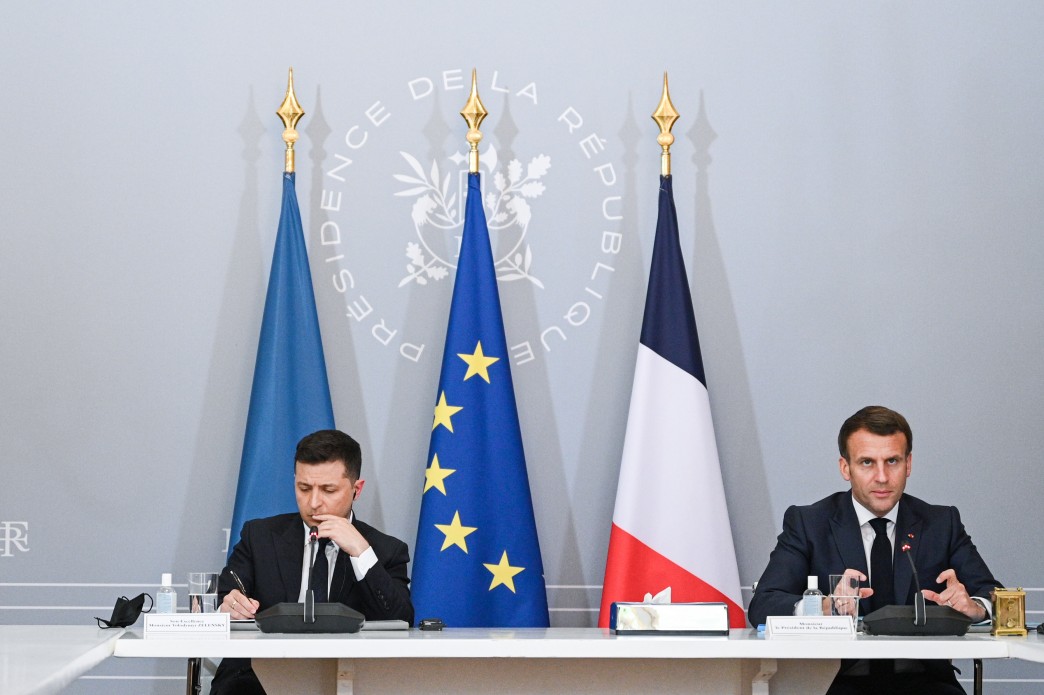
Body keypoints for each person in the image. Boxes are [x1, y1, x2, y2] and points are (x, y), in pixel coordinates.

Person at [747, 406, 1000, 695]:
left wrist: (975, 608)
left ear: (909, 464)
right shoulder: (808, 523)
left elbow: (994, 596)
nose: (881, 477)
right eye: (867, 462)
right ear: (846, 468)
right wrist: (825, 607)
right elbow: (764, 605)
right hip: (839, 682)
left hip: (927, 683)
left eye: (892, 461)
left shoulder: (941, 523)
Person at [210, 429, 415, 695]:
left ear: (356, 489)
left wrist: (361, 553)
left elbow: (402, 620)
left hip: (351, 679)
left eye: (328, 490)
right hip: (259, 679)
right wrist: (230, 606)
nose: (314, 502)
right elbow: (227, 596)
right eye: (304, 488)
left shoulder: (385, 550)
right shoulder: (259, 536)